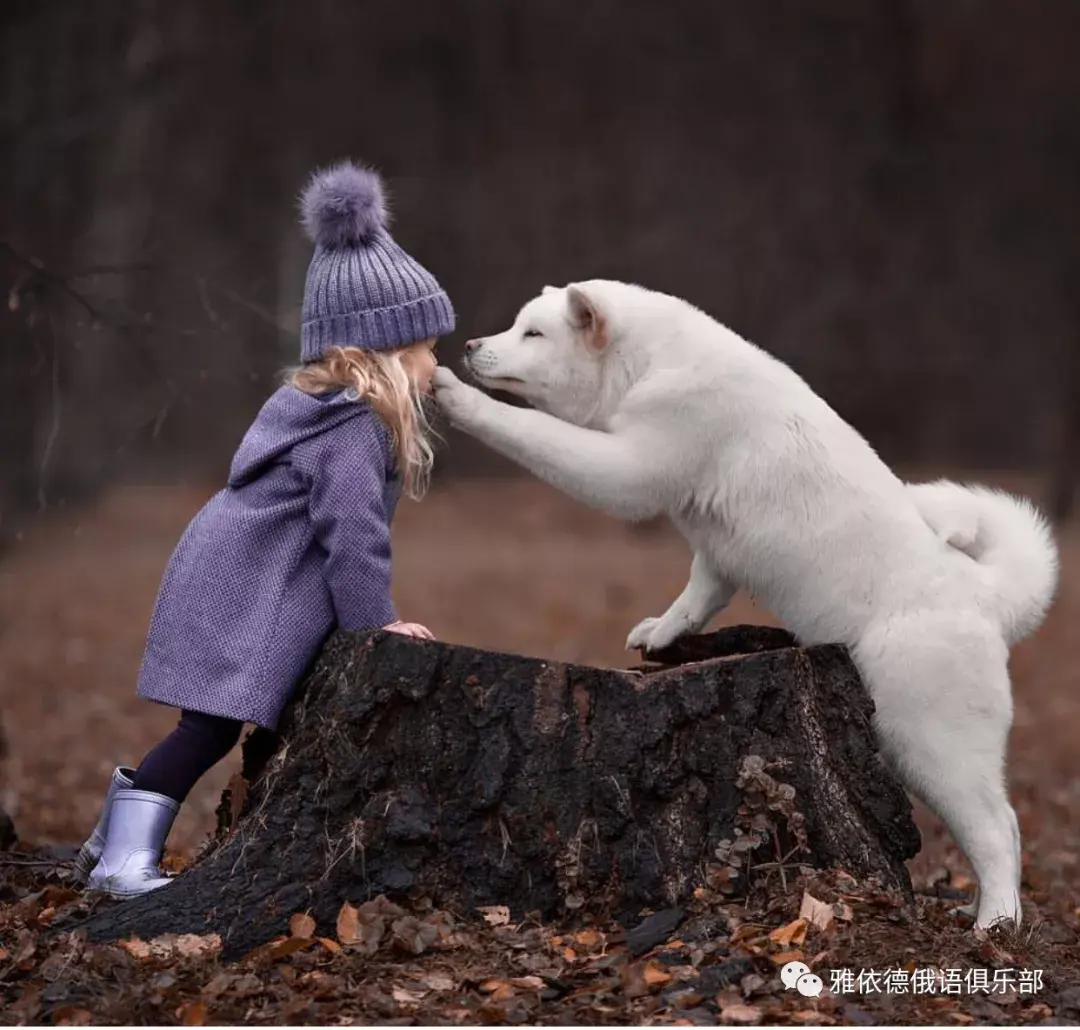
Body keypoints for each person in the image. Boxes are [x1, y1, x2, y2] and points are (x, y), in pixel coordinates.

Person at [73, 159, 453, 898]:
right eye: (425, 349)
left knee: (210, 730)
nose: (437, 364)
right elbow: (354, 538)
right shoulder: (351, 432)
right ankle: (122, 864)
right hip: (245, 595)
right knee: (208, 732)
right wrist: (377, 626)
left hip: (228, 578)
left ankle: (108, 841)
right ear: (379, 356)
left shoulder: (319, 415)